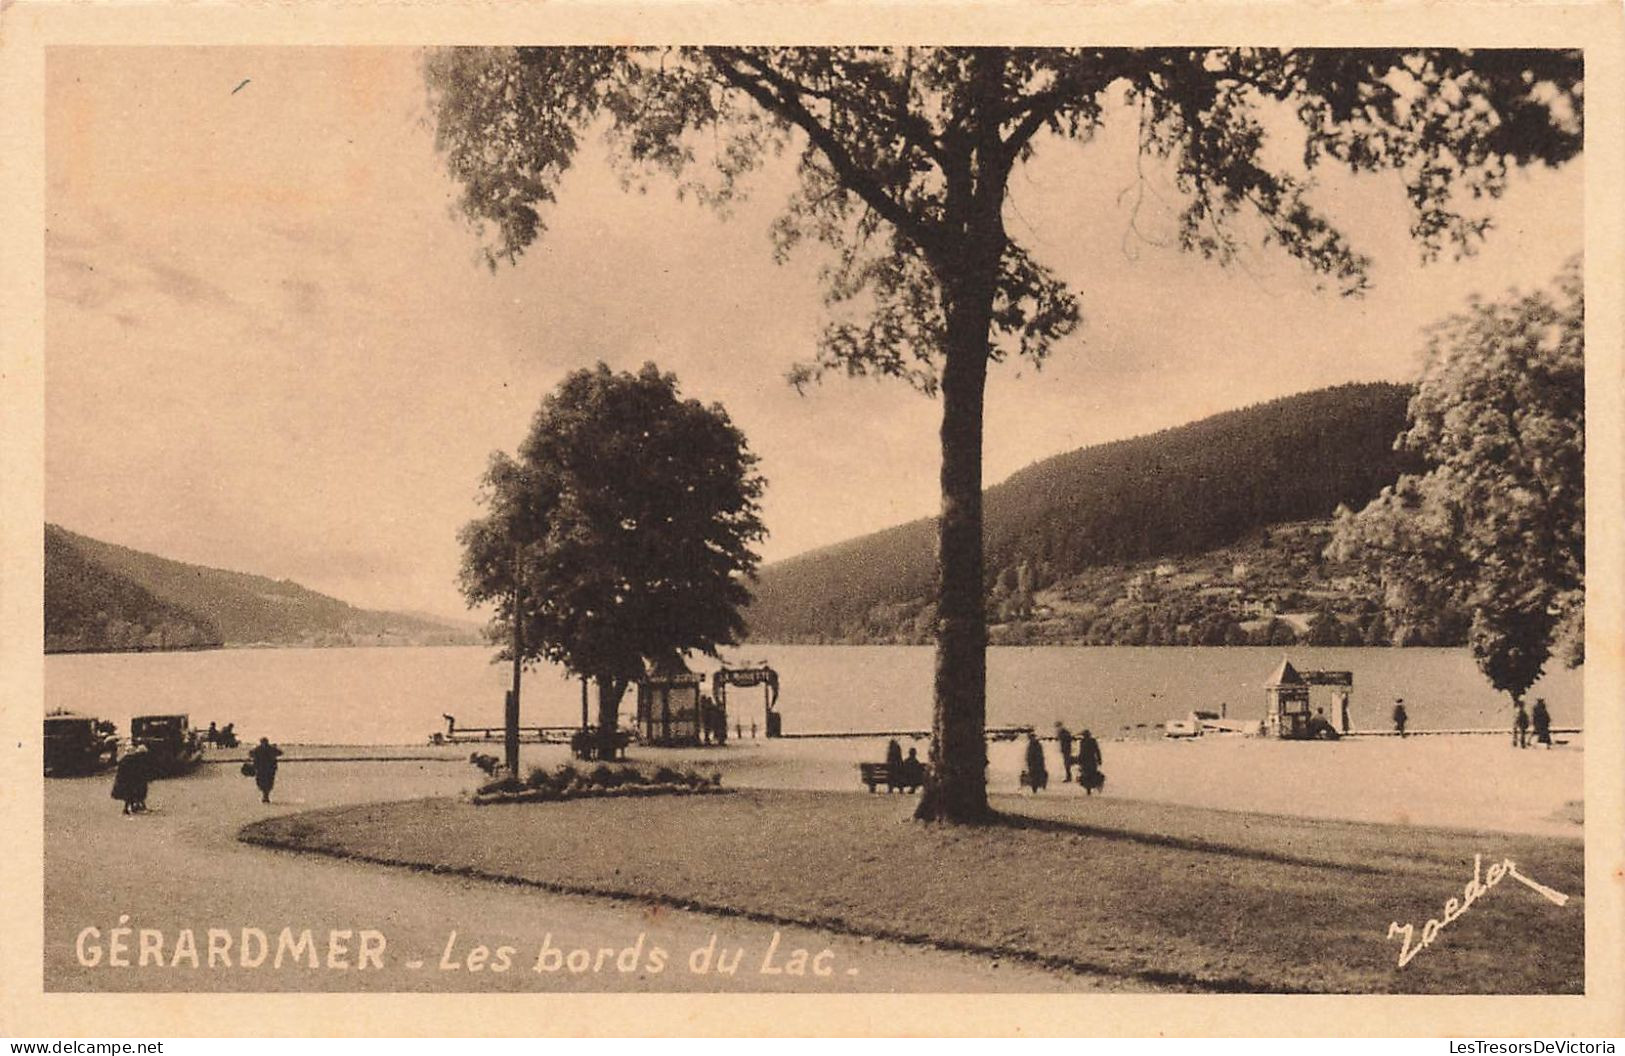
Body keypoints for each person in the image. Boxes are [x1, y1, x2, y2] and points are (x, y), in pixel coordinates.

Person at [110, 744, 150, 816]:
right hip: (129, 780)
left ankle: (132, 807)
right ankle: (134, 807)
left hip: (126, 780)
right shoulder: (136, 760)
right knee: (133, 793)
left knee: (129, 795)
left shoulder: (128, 758)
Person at [249, 737, 283, 804]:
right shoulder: (264, 749)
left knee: (266, 783)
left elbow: (280, 753)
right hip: (264, 769)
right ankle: (265, 796)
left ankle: (265, 796)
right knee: (264, 783)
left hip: (266, 769)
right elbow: (279, 753)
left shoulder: (260, 749)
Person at [1075, 728, 1104, 795]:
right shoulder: (1091, 741)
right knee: (1089, 775)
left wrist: (1079, 760)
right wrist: (1099, 759)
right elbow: (1097, 751)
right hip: (1090, 761)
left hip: (1088, 761)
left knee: (1088, 775)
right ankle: (1090, 788)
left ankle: (1089, 788)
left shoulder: (1084, 742)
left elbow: (1082, 752)